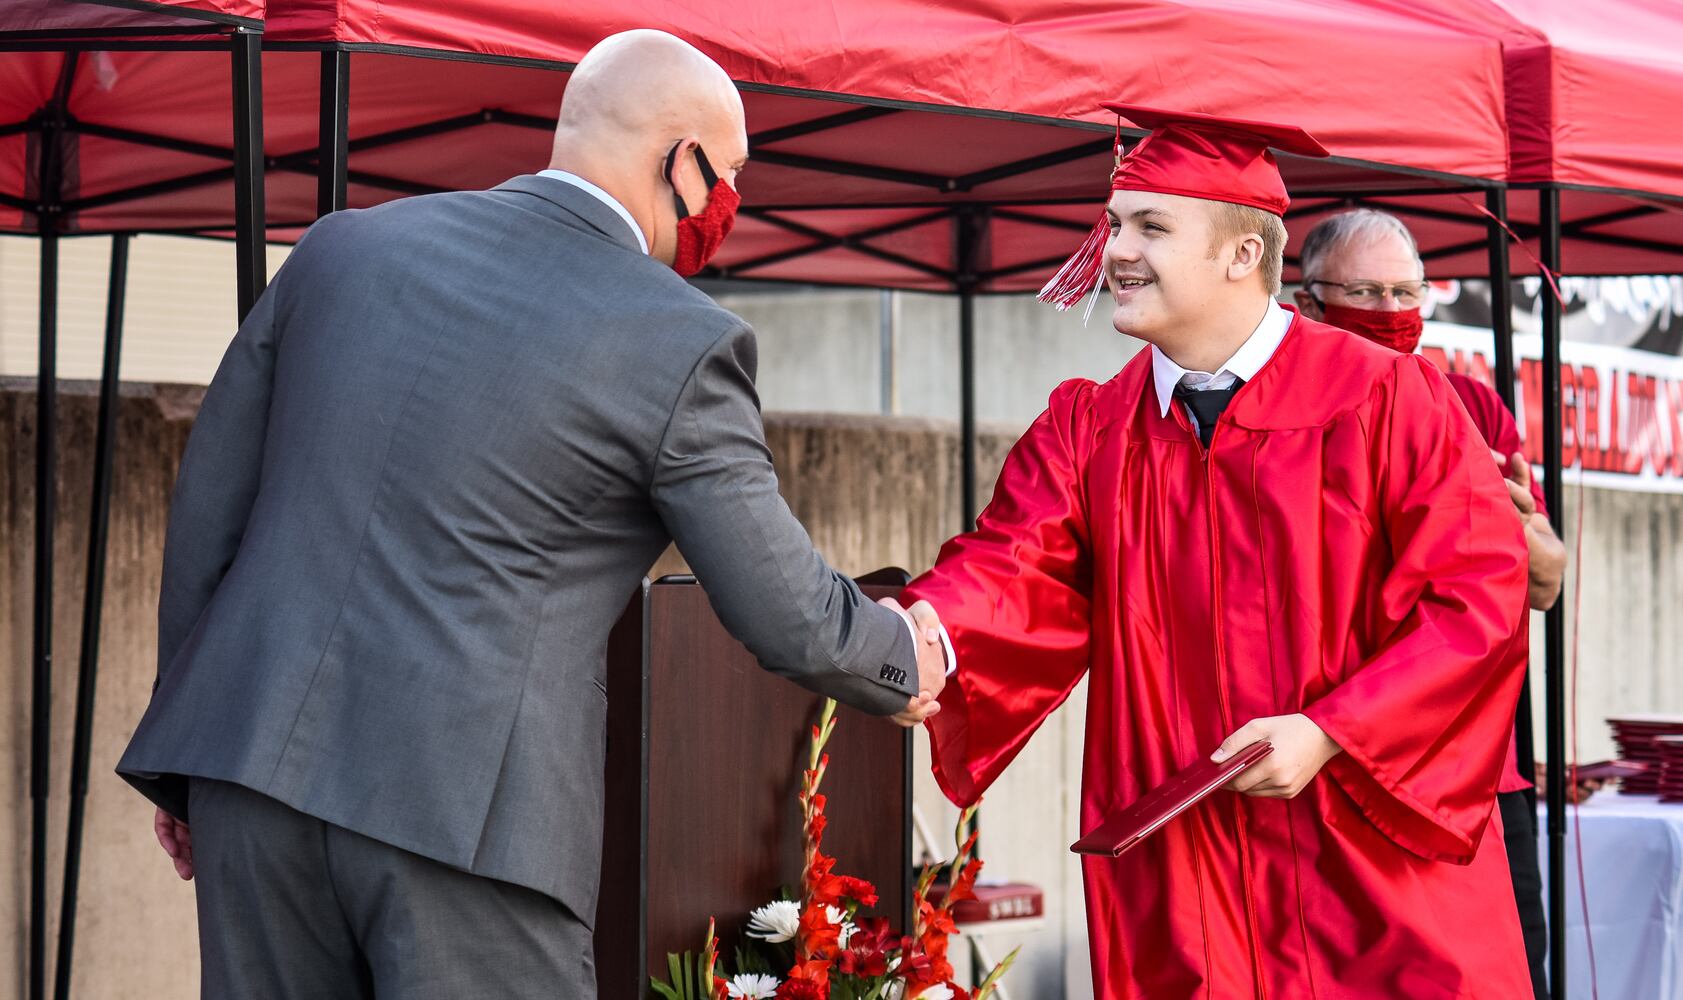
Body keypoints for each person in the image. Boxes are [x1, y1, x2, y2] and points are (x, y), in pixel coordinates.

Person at [116, 29, 946, 1000]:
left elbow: (212, 508)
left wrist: (187, 763)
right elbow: (781, 605)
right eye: (729, 177)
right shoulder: (679, 337)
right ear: (682, 164)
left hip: (249, 778)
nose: (729, 207)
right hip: (467, 817)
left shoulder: (341, 248)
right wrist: (900, 655)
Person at [898, 105, 1533, 998]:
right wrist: (913, 643)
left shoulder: (1389, 401)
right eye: (1114, 224)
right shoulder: (1090, 428)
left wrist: (1329, 731)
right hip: (1186, 870)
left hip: (1367, 860)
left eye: (1151, 226)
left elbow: (1476, 602)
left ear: (1243, 255)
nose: (1116, 250)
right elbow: (1010, 566)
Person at [1294, 208, 1568, 999]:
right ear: (1308, 301)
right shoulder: (1281, 415)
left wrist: (1519, 535)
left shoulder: (1472, 409)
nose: (1389, 309)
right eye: (1367, 291)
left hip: (1480, 770)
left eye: (1405, 290)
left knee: (1505, 973)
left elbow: (1543, 580)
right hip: (1338, 758)